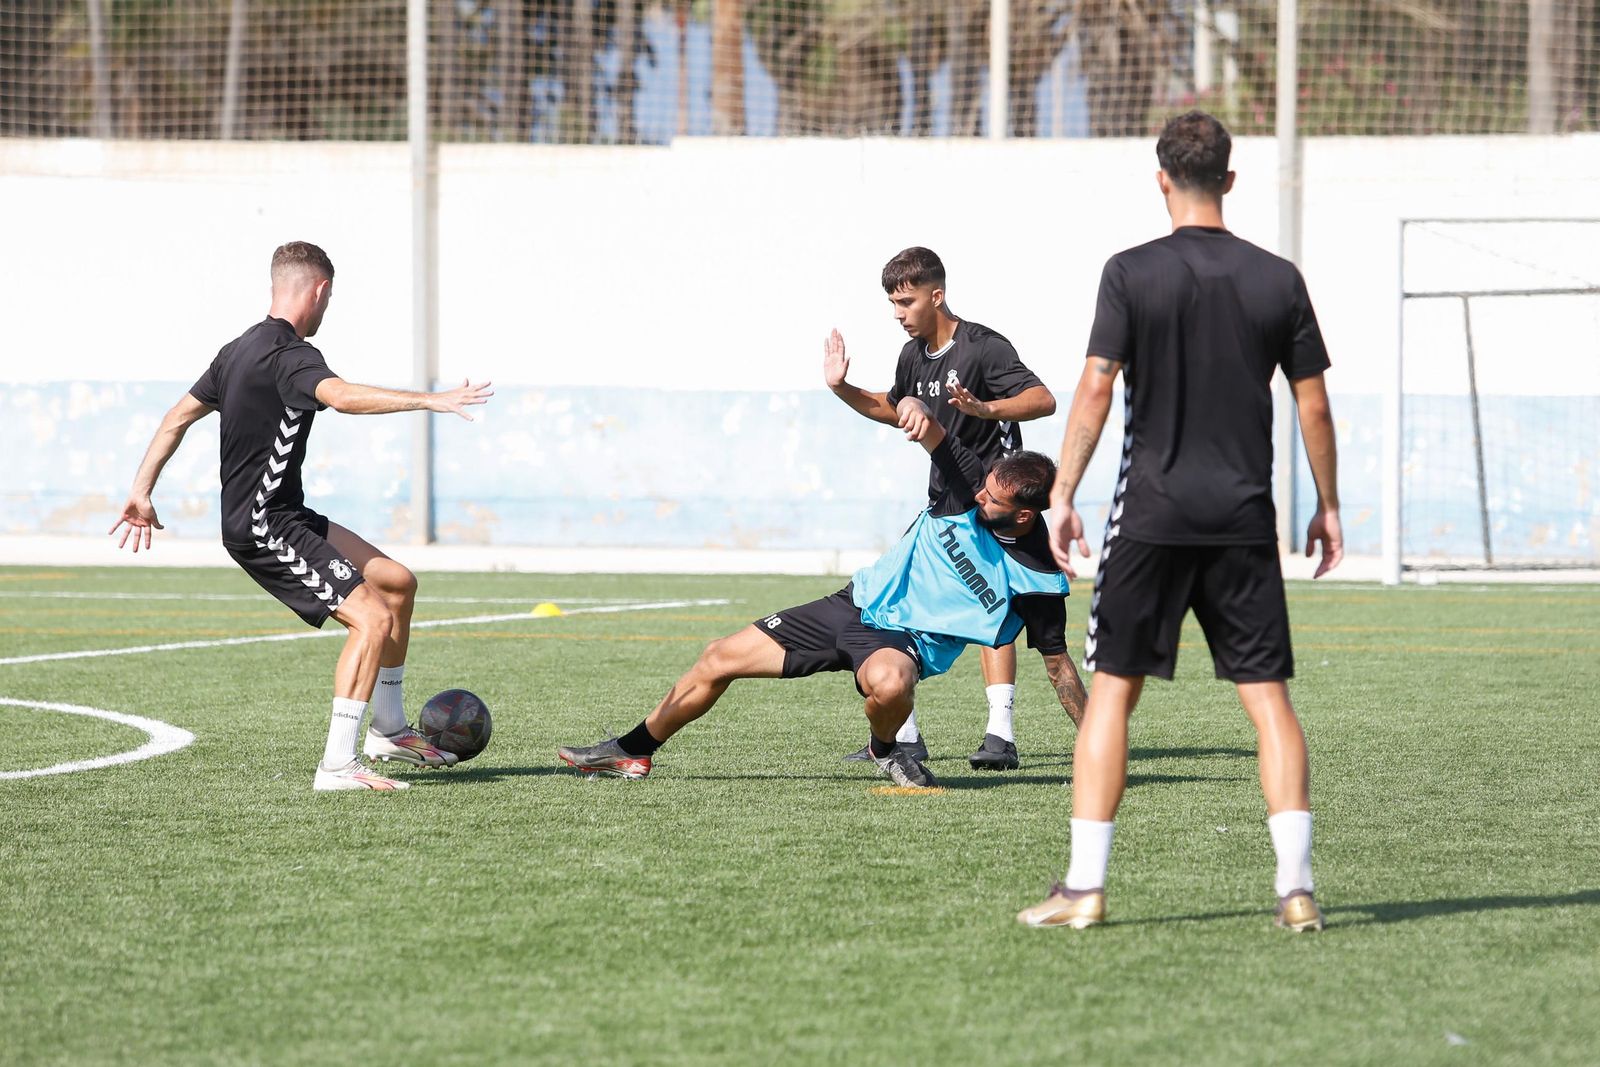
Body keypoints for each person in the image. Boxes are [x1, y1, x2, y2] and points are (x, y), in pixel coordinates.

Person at [1017, 111, 1343, 933]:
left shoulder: (1129, 272)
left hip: (1151, 517)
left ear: (1162, 179)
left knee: (1111, 700)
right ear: (1229, 180)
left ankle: (1084, 889)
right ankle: (1295, 887)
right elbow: (1314, 402)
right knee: (1269, 701)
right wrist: (1328, 506)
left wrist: (1061, 495)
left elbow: (1094, 386)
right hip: (1242, 521)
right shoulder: (1280, 278)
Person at [109, 241, 494, 792]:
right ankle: (338, 764)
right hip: (265, 525)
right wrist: (429, 400)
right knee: (373, 620)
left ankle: (387, 730)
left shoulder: (236, 350)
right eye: (329, 298)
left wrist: (140, 491)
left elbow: (176, 417)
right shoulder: (290, 355)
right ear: (319, 290)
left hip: (286, 512)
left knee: (397, 583)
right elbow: (338, 396)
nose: (327, 308)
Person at [557, 396, 1086, 787]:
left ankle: (886, 750)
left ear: (1022, 514)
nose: (976, 496)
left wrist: (1095, 743)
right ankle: (632, 751)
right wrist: (908, 406)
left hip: (903, 646)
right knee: (718, 658)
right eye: (981, 485)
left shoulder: (1038, 578)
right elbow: (934, 434)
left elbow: (1059, 667)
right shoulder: (966, 487)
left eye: (991, 499)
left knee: (893, 683)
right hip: (851, 607)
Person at [825, 246, 1058, 771]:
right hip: (944, 499)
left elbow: (1042, 399)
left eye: (906, 302)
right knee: (898, 600)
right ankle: (905, 736)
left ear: (937, 295)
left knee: (995, 613)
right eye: (892, 303)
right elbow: (894, 407)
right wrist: (841, 387)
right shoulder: (912, 356)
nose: (898, 314)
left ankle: (1000, 736)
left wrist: (985, 407)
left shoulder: (983, 347)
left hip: (990, 499)